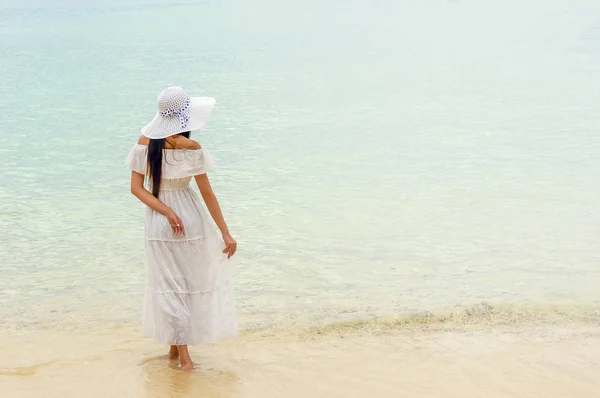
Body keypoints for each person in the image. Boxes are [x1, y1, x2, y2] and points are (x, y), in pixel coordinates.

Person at [126, 86, 237, 370]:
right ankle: (185, 358)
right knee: (186, 285)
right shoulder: (193, 149)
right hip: (190, 220)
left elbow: (136, 190)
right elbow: (208, 194)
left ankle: (177, 354)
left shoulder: (145, 142)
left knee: (168, 286)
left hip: (158, 221)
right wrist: (225, 232)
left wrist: (165, 211)